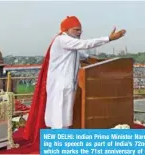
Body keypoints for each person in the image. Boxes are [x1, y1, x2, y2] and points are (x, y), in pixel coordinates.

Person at [23, 16, 126, 144]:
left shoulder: (71, 44)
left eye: (80, 30)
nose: (79, 32)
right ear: (66, 29)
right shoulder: (62, 40)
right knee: (58, 116)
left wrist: (104, 62)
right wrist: (109, 38)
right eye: (76, 29)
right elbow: (85, 44)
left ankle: (64, 143)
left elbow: (85, 55)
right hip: (59, 85)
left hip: (69, 85)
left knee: (65, 116)